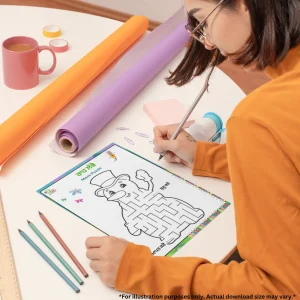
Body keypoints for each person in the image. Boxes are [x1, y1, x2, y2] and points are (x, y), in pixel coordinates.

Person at [85, 0, 300, 295]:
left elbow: (280, 288)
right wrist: (209, 157)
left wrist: (139, 270)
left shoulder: (258, 120)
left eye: (204, 22)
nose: (209, 43)